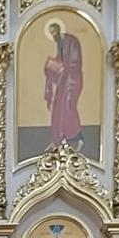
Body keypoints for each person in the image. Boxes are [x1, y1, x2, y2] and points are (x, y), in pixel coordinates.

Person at [43, 20, 84, 150]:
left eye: (54, 31)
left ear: (59, 29)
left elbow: (75, 61)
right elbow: (59, 61)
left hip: (72, 80)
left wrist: (62, 68)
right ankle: (57, 140)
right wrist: (51, 67)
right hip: (64, 80)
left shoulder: (71, 41)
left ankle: (78, 138)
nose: (53, 35)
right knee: (58, 107)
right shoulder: (60, 44)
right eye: (51, 33)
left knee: (68, 106)